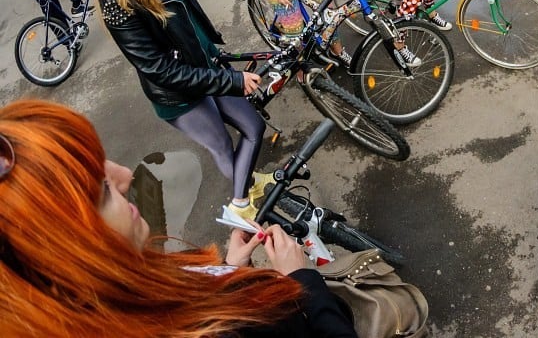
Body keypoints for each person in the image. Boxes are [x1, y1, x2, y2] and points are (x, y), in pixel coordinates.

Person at [0, 99, 358, 337]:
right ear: (67, 251)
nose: (125, 176)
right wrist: (304, 280)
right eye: (103, 189)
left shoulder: (126, 287)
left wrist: (232, 268)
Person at [85, 0, 269, 219]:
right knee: (224, 148)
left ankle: (246, 188)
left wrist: (217, 57)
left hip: (205, 67)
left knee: (254, 128)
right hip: (180, 95)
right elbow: (158, 69)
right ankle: (244, 209)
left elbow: (188, 19)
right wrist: (232, 82)